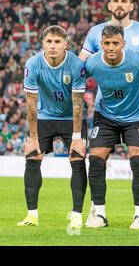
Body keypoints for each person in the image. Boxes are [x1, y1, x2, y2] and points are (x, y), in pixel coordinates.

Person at [79, 0, 139, 224]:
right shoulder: (94, 45)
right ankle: (99, 213)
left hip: (135, 115)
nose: (111, 47)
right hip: (105, 113)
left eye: (125, 0)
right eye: (115, 0)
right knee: (95, 160)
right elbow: (79, 71)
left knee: (137, 160)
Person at [18, 25, 87, 229]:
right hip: (44, 117)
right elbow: (31, 104)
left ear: (66, 44)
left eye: (57, 42)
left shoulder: (76, 64)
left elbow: (77, 104)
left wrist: (76, 136)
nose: (53, 46)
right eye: (49, 41)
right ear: (43, 44)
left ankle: (76, 215)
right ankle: (32, 215)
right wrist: (33, 136)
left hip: (70, 118)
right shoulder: (33, 63)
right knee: (32, 156)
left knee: (77, 159)